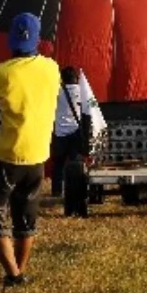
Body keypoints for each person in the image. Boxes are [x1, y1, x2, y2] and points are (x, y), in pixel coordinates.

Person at [0, 12, 62, 286]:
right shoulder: (52, 68)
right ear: (38, 40)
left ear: (10, 40)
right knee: (26, 219)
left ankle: (13, 274)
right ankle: (19, 271)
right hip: (38, 155)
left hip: (4, 154)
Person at [50, 66, 82, 197]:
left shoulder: (56, 91)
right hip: (76, 131)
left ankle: (57, 190)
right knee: (75, 164)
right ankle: (76, 190)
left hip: (59, 132)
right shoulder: (82, 91)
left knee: (58, 164)